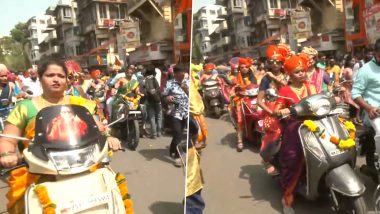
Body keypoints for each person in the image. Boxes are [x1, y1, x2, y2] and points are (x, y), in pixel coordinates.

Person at [0, 60, 126, 213]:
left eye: (60, 76)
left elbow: (99, 129)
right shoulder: (25, 108)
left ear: (67, 79)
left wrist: (109, 138)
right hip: (40, 172)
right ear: (40, 77)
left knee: (113, 192)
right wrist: (8, 154)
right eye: (50, 75)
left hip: (84, 166)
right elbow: (7, 139)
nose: (56, 79)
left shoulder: (81, 104)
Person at [274, 55, 316, 214]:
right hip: (295, 128)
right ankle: (287, 198)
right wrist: (280, 111)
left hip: (316, 125)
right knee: (292, 159)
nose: (301, 74)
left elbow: (322, 98)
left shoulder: (311, 86)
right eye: (297, 72)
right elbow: (277, 108)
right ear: (290, 74)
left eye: (303, 71)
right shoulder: (284, 90)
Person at [257, 45, 288, 170]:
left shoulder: (288, 76)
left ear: (282, 63)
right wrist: (271, 112)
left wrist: (274, 78)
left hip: (288, 110)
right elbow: (259, 101)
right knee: (276, 133)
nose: (275, 64)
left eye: (278, 62)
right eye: (272, 62)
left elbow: (287, 88)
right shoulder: (265, 79)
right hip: (272, 112)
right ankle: (267, 159)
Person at [352, 38, 380, 179]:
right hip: (374, 115)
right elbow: (355, 93)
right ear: (375, 53)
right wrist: (369, 108)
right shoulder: (365, 70)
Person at [162, 64, 189, 167]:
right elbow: (163, 97)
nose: (182, 76)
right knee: (177, 133)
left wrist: (185, 88)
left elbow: (193, 96)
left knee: (180, 134)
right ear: (175, 74)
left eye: (184, 74)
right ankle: (178, 157)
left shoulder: (188, 82)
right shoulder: (169, 83)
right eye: (180, 74)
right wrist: (168, 98)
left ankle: (173, 148)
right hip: (175, 112)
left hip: (186, 112)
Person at [143, 66, 162, 139]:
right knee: (159, 116)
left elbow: (144, 91)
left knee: (152, 117)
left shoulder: (145, 80)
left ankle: (153, 134)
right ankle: (159, 132)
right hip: (157, 100)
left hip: (149, 101)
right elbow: (158, 89)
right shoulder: (155, 78)